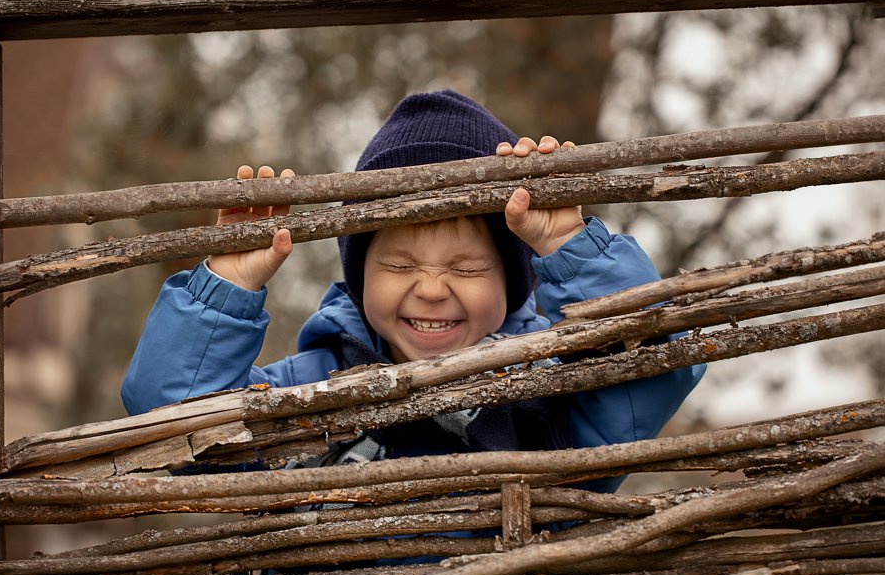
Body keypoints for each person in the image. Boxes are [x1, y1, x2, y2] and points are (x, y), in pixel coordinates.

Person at [122, 90, 705, 493]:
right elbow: (171, 419)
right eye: (399, 263)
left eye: (467, 268)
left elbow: (656, 366)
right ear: (359, 275)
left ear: (512, 280)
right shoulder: (311, 392)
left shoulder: (552, 391)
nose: (430, 290)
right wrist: (227, 284)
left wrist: (568, 245)